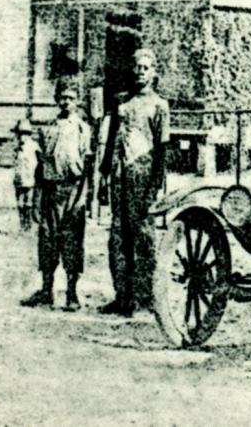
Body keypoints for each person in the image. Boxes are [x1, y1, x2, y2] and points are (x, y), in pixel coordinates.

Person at [98, 47, 170, 316]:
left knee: (143, 236)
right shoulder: (121, 102)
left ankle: (146, 296)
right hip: (119, 175)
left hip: (143, 175)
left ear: (153, 72)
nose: (140, 72)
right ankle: (122, 296)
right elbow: (112, 138)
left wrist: (155, 184)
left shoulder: (160, 106)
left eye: (146, 67)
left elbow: (162, 149)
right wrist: (105, 172)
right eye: (137, 67)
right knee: (118, 236)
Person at [21, 79, 93, 310]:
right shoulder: (48, 128)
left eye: (71, 98)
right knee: (48, 240)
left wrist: (84, 197)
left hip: (73, 191)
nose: (66, 102)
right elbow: (40, 167)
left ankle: (72, 294)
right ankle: (46, 290)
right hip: (51, 191)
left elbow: (88, 166)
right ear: (56, 99)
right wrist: (36, 200)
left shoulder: (82, 129)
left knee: (72, 242)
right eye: (63, 97)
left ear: (78, 101)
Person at [11, 119, 39, 232]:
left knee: (29, 203)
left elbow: (40, 160)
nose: (22, 137)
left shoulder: (34, 146)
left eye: (25, 134)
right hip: (19, 177)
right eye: (20, 134)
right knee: (20, 203)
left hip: (30, 177)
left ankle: (28, 225)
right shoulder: (17, 147)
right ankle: (22, 225)